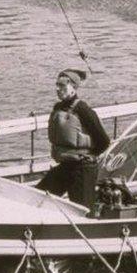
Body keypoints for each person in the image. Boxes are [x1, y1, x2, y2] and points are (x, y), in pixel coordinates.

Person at [35, 69, 110, 208]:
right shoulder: (58, 108)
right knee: (37, 197)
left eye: (62, 85)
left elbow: (104, 141)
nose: (58, 89)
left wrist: (88, 156)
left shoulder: (82, 109)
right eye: (57, 85)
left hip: (82, 168)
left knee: (83, 211)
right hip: (66, 165)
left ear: (73, 87)